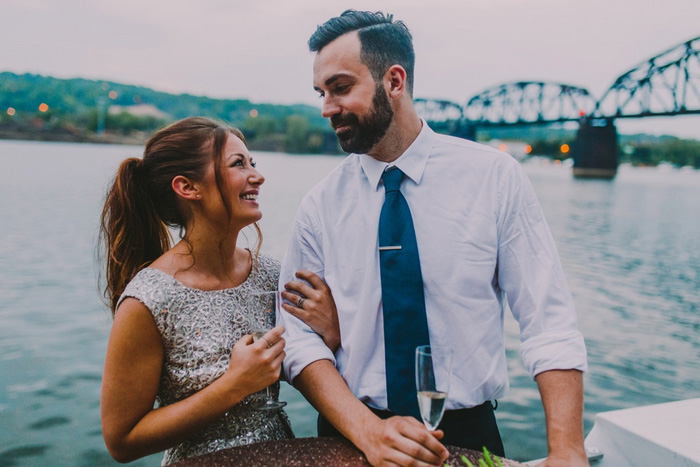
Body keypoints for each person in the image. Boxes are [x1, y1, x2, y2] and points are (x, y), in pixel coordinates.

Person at [277, 10, 589, 467]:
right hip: (350, 437)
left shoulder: (494, 178)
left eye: (340, 88)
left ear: (395, 81)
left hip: (468, 435)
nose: (326, 108)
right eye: (321, 93)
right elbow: (298, 338)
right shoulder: (319, 206)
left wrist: (567, 450)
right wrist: (369, 431)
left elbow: (548, 320)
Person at [99, 117, 334, 465]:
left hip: (280, 455)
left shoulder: (270, 275)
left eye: (253, 162)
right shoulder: (149, 299)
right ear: (188, 187)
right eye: (239, 164)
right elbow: (122, 441)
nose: (258, 175)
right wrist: (234, 385)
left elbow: (309, 361)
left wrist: (331, 330)